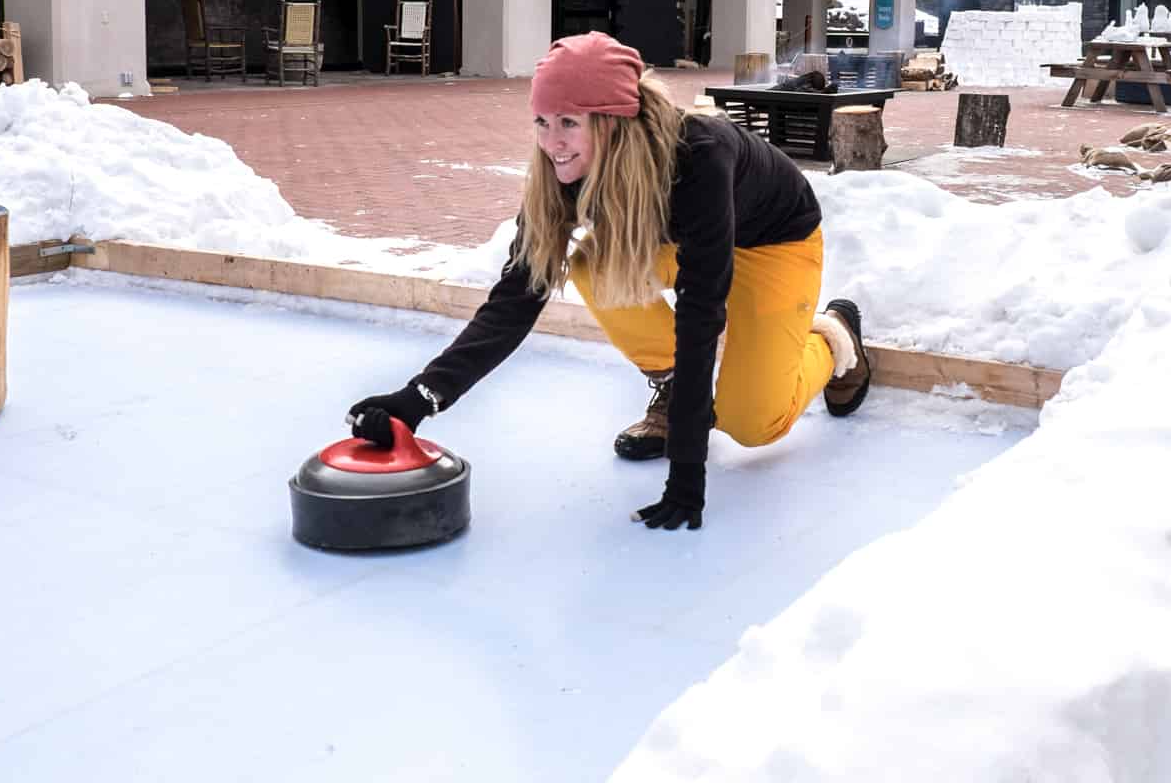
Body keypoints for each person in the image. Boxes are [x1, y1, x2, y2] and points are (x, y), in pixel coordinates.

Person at [347, 32, 872, 533]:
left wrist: (686, 469)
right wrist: (418, 400)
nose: (553, 143)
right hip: (679, 240)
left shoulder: (699, 157)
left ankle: (832, 337)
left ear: (612, 121)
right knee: (586, 261)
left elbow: (700, 311)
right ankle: (670, 388)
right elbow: (514, 299)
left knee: (753, 423)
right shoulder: (564, 174)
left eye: (569, 123)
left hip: (772, 243)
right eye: (541, 121)